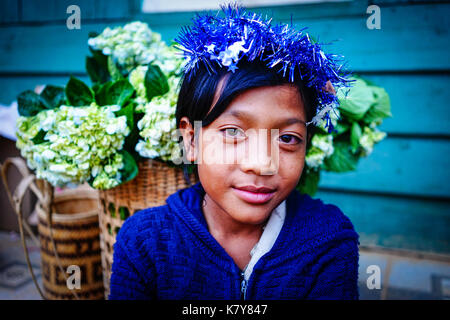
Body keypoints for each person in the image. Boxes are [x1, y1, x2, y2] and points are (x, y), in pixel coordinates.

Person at [109, 4, 359, 300]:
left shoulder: (328, 239)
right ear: (191, 141)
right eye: (232, 132)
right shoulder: (144, 241)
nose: (261, 164)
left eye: (288, 138)